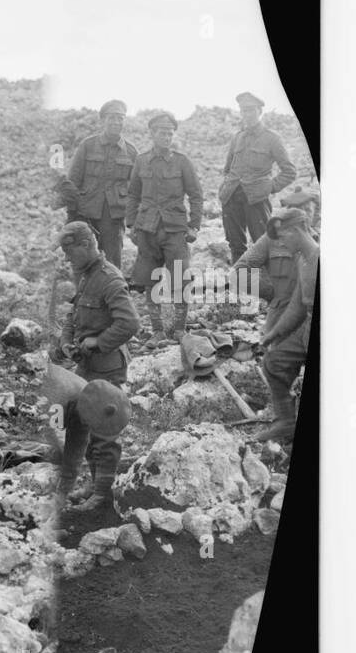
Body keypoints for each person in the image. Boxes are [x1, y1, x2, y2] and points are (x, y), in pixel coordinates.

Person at [52, 221, 140, 512]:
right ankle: (94, 484)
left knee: (105, 430)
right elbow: (72, 316)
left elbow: (129, 323)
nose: (67, 258)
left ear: (87, 245)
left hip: (107, 368)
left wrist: (98, 343)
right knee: (85, 424)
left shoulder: (109, 279)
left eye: (70, 251)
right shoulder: (86, 276)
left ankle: (102, 494)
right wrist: (67, 341)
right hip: (88, 368)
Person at [233, 207, 318, 442]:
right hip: (301, 325)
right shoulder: (304, 260)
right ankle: (286, 423)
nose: (281, 242)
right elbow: (298, 307)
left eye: (285, 235)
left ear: (298, 230)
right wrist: (272, 334)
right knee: (274, 362)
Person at [125, 110, 203, 343]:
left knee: (181, 277)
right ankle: (158, 330)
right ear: (152, 133)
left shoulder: (182, 161)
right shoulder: (141, 160)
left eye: (170, 133)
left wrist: (194, 226)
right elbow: (132, 195)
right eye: (162, 132)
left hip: (175, 229)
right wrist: (131, 225)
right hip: (147, 228)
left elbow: (196, 195)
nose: (166, 137)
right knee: (151, 280)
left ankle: (179, 328)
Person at [57, 99, 137, 269]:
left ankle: (113, 294)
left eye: (120, 118)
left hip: (113, 216)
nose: (116, 122)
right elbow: (72, 181)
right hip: (86, 212)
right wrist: (72, 213)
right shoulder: (88, 145)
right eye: (112, 117)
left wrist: (131, 216)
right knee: (83, 260)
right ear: (103, 120)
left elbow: (137, 189)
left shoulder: (131, 151)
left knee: (112, 262)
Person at [219, 92, 298, 262]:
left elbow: (289, 172)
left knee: (263, 243)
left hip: (256, 200)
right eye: (243, 110)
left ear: (260, 111)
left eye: (250, 110)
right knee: (235, 244)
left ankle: (266, 286)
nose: (246, 114)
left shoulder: (272, 138)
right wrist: (225, 187)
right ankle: (241, 285)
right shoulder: (237, 137)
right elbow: (227, 169)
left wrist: (269, 187)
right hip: (231, 197)